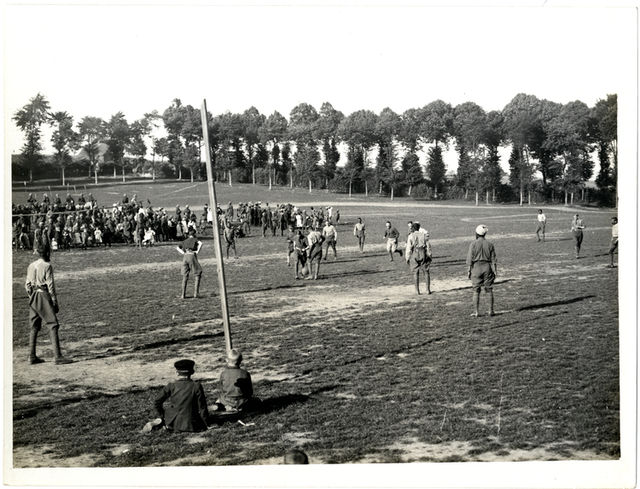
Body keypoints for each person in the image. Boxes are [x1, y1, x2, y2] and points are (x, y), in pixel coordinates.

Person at [25, 243, 72, 364]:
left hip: (33, 295)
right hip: (43, 294)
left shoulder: (31, 265)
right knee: (53, 324)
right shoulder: (47, 266)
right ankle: (58, 356)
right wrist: (54, 301)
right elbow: (50, 286)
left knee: (34, 325)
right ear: (46, 253)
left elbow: (27, 285)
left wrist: (32, 297)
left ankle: (31, 356)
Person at [152, 359, 209, 432]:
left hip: (172, 422)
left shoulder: (171, 385)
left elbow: (157, 401)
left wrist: (161, 415)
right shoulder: (196, 386)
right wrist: (206, 423)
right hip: (192, 424)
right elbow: (202, 407)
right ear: (192, 372)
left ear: (177, 372)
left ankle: (160, 424)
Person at [466, 225, 497, 318]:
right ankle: (491, 310)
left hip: (476, 267)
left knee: (476, 290)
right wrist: (495, 271)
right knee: (489, 289)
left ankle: (476, 312)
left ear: (476, 233)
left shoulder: (473, 244)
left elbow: (469, 259)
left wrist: (469, 270)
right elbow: (494, 260)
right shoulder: (490, 244)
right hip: (487, 267)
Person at [406, 223, 432, 295]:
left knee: (415, 272)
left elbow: (408, 248)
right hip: (423, 252)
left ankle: (417, 291)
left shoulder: (410, 236)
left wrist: (407, 257)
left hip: (415, 253)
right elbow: (428, 246)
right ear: (419, 228)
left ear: (413, 228)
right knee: (426, 272)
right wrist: (430, 255)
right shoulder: (424, 235)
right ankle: (428, 290)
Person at [177, 228, 203, 299]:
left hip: (185, 257)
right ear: (194, 234)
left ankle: (183, 295)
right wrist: (197, 251)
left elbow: (177, 247)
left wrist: (183, 253)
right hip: (192, 255)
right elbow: (201, 243)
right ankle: (196, 293)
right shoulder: (195, 239)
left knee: (185, 275)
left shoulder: (185, 241)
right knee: (197, 273)